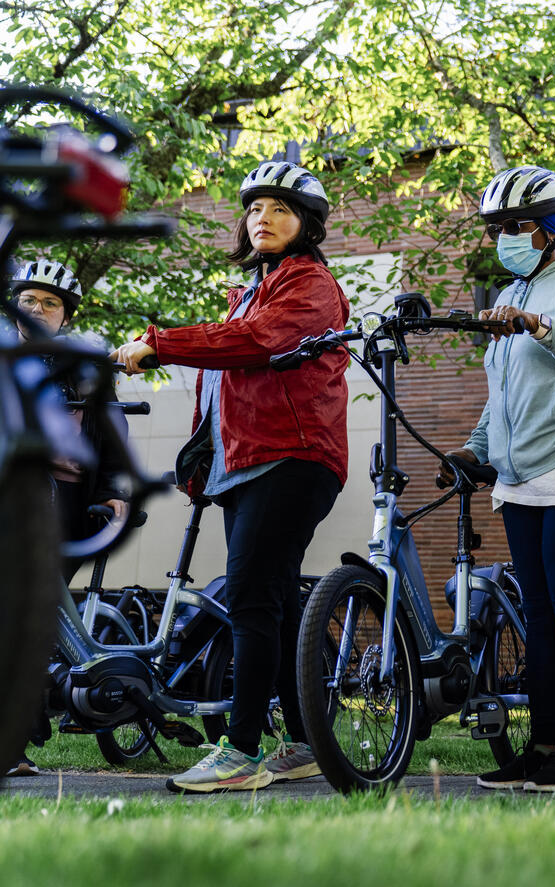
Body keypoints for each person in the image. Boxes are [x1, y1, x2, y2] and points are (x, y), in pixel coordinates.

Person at [111, 162, 349, 792]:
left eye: (279, 209)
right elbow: (224, 380)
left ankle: (240, 750)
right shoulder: (251, 288)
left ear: (307, 225)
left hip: (292, 455)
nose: (261, 218)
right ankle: (302, 742)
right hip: (247, 463)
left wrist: (161, 342)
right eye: (254, 209)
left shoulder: (311, 284)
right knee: (268, 599)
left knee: (248, 595)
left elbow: (256, 342)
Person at [447, 165, 555, 792]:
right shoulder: (511, 290)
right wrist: (474, 450)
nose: (505, 236)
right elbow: (505, 393)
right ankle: (544, 746)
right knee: (542, 615)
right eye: (498, 228)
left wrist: (540, 325)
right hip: (520, 471)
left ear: (552, 229)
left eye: (516, 225)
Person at [5, 259, 129, 777]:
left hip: (65, 503)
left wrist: (117, 492)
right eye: (28, 300)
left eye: (49, 303)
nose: (37, 309)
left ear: (64, 315)